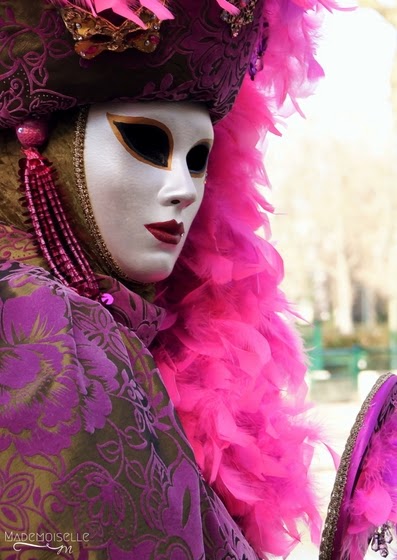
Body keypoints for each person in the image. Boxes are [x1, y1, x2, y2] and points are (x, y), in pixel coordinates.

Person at [0, 0, 340, 558]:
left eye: (198, 157)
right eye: (148, 143)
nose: (183, 189)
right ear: (41, 145)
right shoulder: (56, 335)